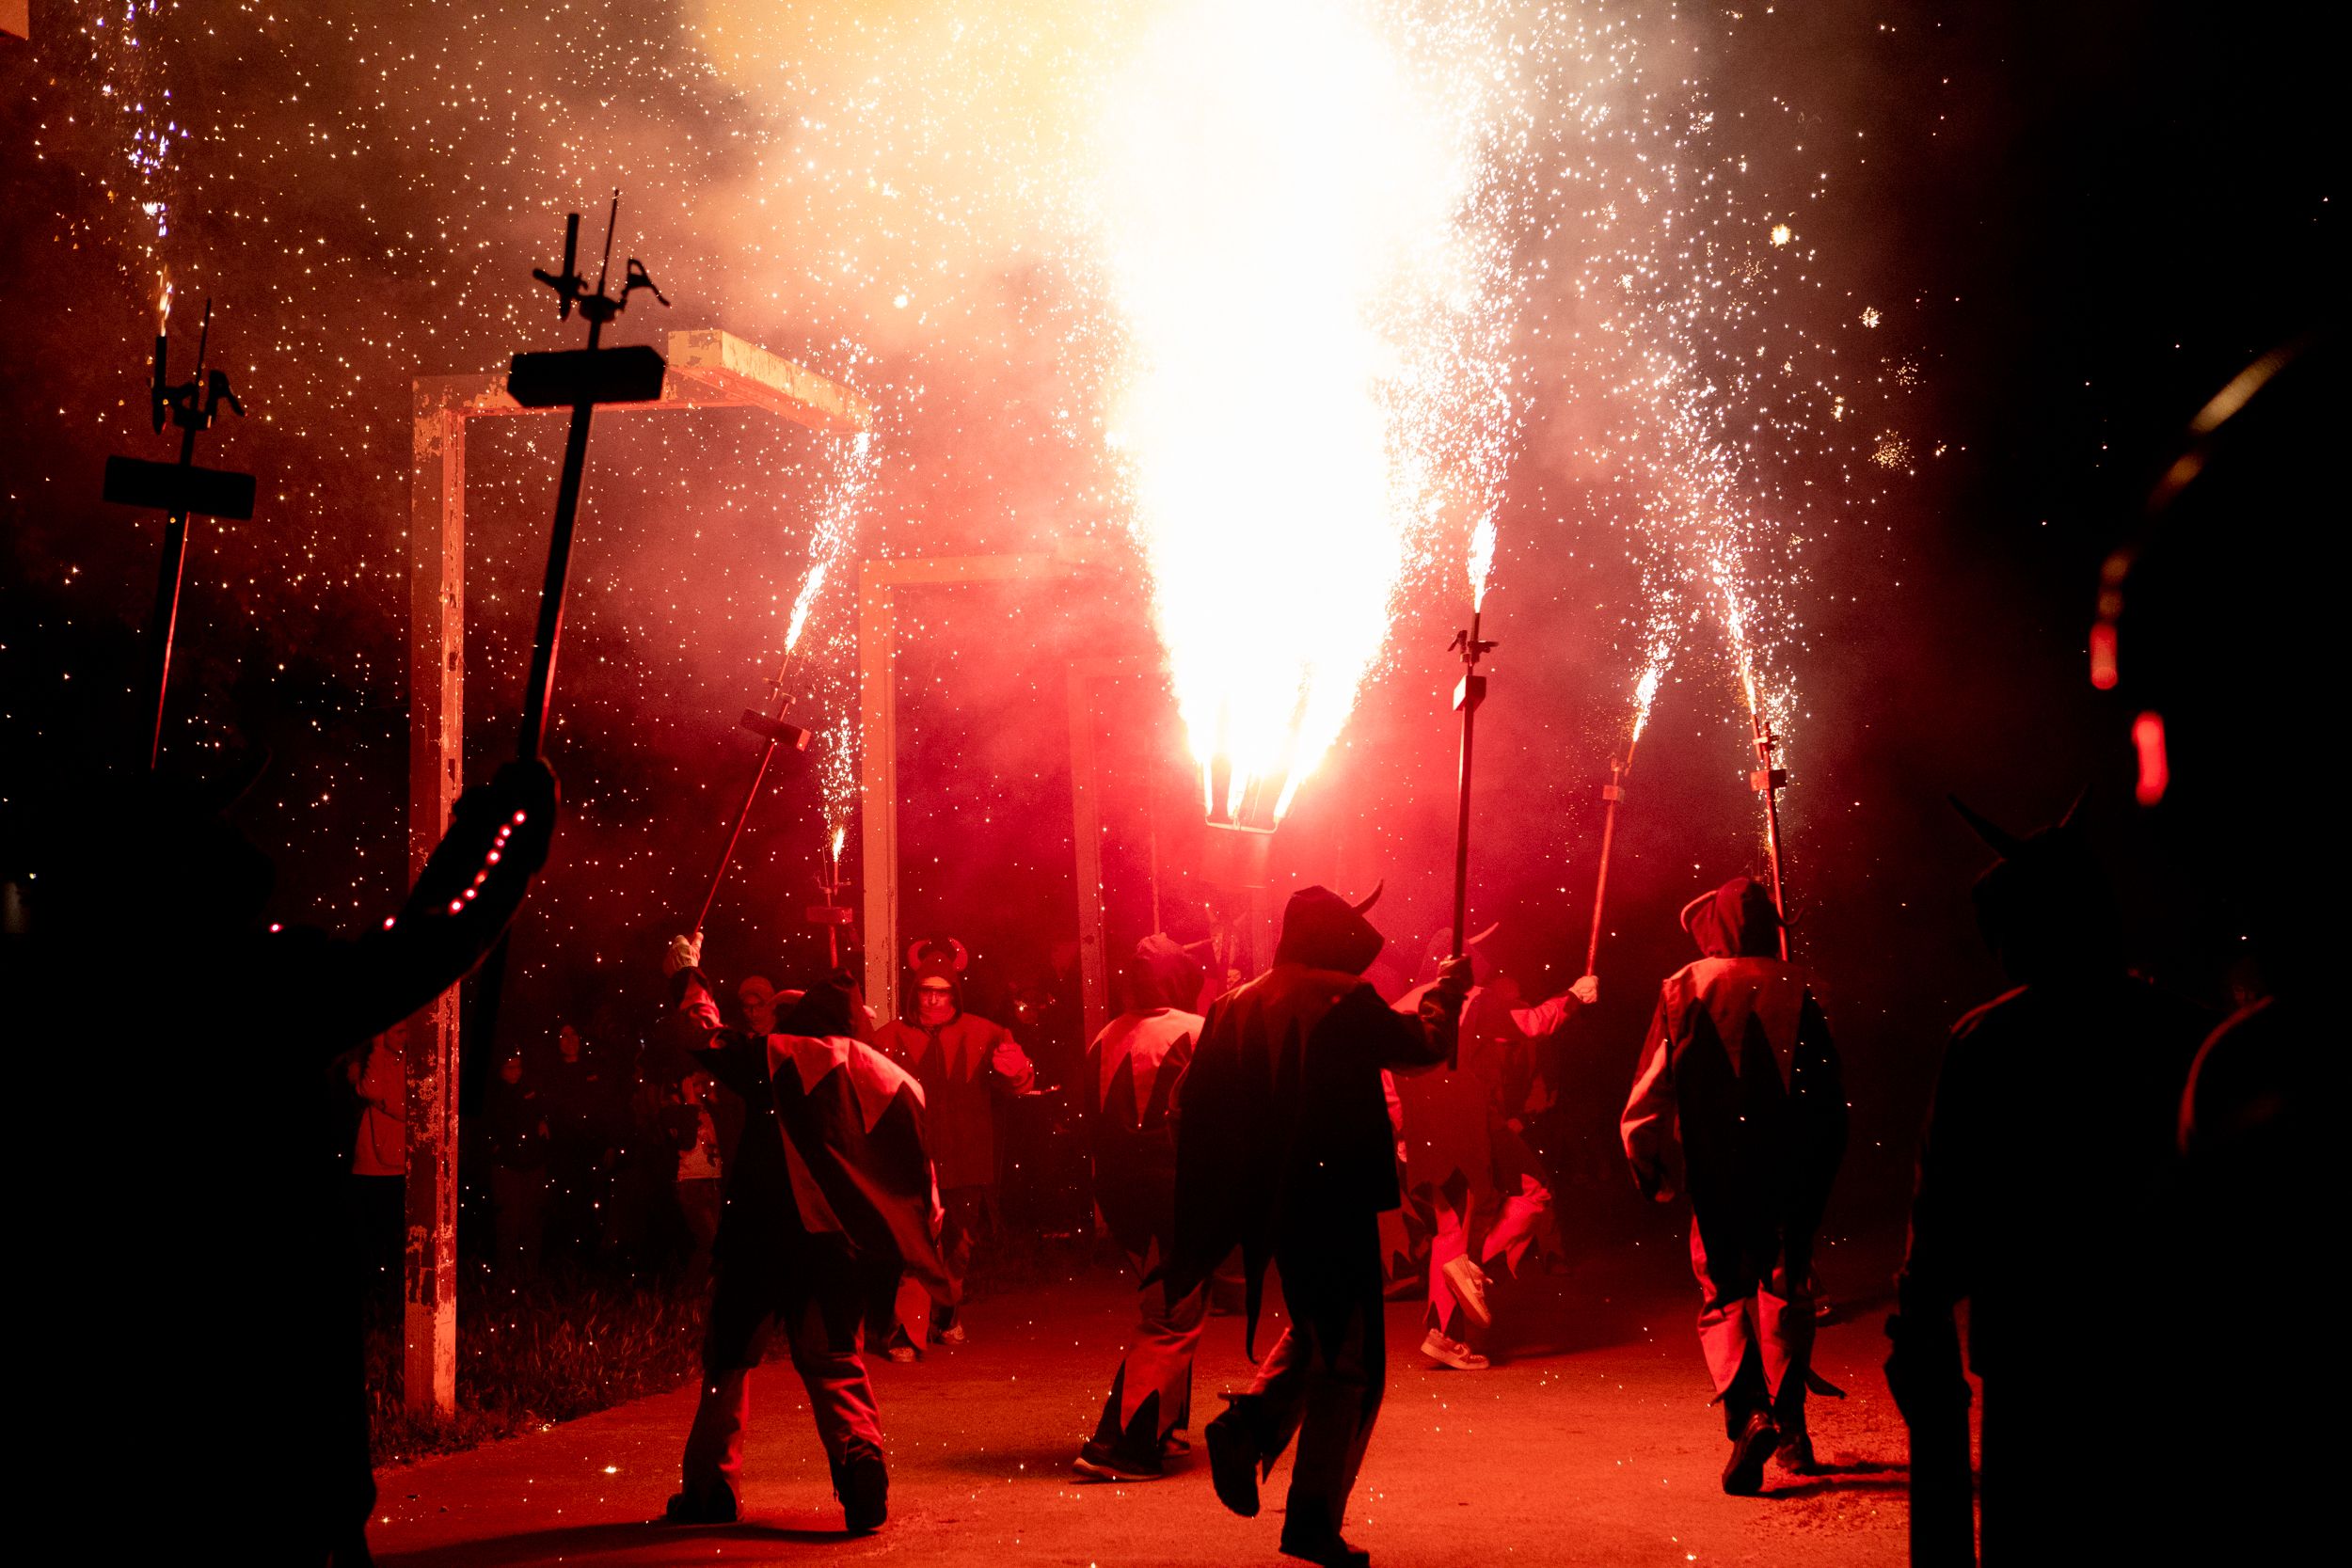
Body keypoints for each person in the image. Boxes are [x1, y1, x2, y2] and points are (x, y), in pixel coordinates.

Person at [15, 755, 556, 1567]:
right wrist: (501, 833)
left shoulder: (62, 997)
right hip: (266, 1436)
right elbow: (423, 944)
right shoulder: (247, 985)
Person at [1884, 799, 2208, 1561]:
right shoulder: (2187, 1031)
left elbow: (1944, 1208)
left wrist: (1920, 1304)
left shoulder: (1988, 1041)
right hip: (2159, 1340)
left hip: (2038, 1346)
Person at [1168, 883, 1470, 1568]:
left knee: (1323, 1334)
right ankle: (1309, 1516)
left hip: (1273, 1200)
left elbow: (1194, 1106)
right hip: (1334, 1196)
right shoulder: (1344, 999)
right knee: (1353, 1364)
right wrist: (1446, 993)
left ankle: (1250, 1428)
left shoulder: (1232, 1004)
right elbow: (1422, 1047)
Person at [657, 935, 952, 1532]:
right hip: (838, 1248)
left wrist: (688, 975)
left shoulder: (779, 1054)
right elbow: (922, 1182)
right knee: (835, 1360)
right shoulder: (896, 1079)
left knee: (730, 1362)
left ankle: (712, 1490)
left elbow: (703, 1035)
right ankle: (861, 1465)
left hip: (762, 1238)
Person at [1620, 876, 1845, 1496]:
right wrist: (1825, 1168)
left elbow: (1649, 1089)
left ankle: (1751, 1413)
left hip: (1717, 1166)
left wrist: (1649, 1164)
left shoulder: (1683, 985)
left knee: (1722, 1293)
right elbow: (1829, 1098)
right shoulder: (1801, 984)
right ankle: (1792, 1426)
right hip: (1791, 1165)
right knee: (1786, 1288)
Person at [1393, 927, 1597, 1370]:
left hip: (1422, 1128)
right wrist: (1575, 997)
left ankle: (1443, 1335)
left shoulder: (1400, 1008)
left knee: (1450, 1230)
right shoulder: (1475, 998)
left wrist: (1401, 1130)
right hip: (1468, 1120)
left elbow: (1385, 1078)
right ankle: (1476, 1269)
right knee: (1535, 1190)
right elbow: (1530, 1024)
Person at [1073, 935, 1207, 1481]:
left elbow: (1088, 1123)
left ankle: (1165, 1427)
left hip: (1122, 1197)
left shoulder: (1105, 1036)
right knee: (1172, 1318)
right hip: (1176, 1194)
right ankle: (1122, 1444)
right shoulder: (1198, 1032)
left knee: (1165, 1307)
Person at [871, 936, 1035, 1351]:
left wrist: (1017, 1073)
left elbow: (1018, 1083)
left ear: (954, 995)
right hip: (910, 1163)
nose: (933, 1001)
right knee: (914, 1245)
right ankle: (905, 1332)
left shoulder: (986, 1033)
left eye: (942, 994)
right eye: (926, 992)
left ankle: (946, 1315)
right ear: (915, 993)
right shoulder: (889, 1037)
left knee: (959, 1247)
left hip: (966, 1161)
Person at [346, 1019, 407, 1299]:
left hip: (400, 1163)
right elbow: (370, 1089)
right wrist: (378, 1049)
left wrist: (385, 1105)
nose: (402, 1033)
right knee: (370, 1239)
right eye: (395, 1028)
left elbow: (408, 1105)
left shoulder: (414, 1061)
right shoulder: (368, 1061)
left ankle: (394, 1295)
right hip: (370, 1164)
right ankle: (373, 1297)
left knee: (398, 1239)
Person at [485, 1050, 550, 1278]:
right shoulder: (494, 1093)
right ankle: (507, 1274)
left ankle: (530, 1271)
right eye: (510, 1067)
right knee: (508, 1221)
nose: (515, 1072)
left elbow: (542, 1111)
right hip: (507, 1165)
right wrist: (498, 1148)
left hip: (532, 1162)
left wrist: (542, 1122)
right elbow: (491, 1126)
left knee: (532, 1219)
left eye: (518, 1067)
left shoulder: (529, 1090)